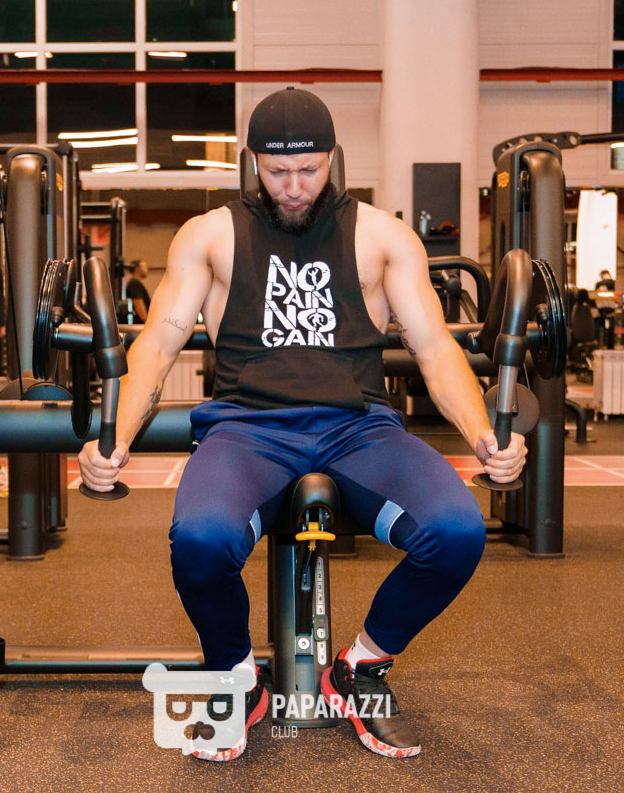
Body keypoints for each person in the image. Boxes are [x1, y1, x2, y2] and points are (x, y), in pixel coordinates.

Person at [78, 88, 526, 761]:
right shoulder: (210, 235)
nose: (293, 187)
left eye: (309, 170)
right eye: (278, 171)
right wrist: (111, 436)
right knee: (199, 541)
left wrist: (485, 436)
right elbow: (159, 344)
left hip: (359, 428)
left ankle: (361, 666)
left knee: (458, 533)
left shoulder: (382, 236)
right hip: (248, 428)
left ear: (333, 158)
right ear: (252, 161)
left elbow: (436, 350)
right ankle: (237, 677)